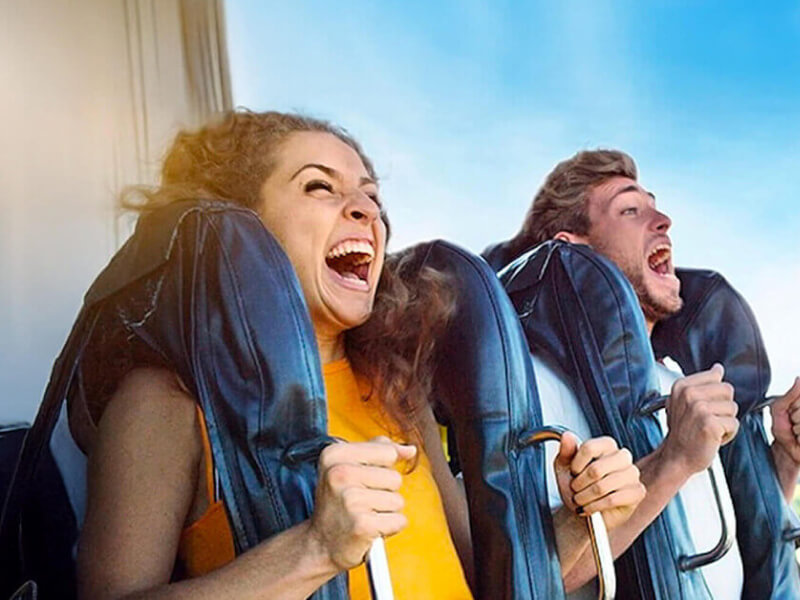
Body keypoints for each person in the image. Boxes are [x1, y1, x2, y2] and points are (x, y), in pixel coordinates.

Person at [76, 113, 644, 600]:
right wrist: (314, 550)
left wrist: (582, 517)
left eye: (371, 197)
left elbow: (484, 578)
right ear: (239, 224)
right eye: (320, 187)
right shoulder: (166, 399)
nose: (365, 211)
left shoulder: (395, 389)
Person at [487, 149, 800, 598]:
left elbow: (725, 534)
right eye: (630, 210)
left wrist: (786, 460)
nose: (663, 221)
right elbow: (534, 576)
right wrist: (673, 459)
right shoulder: (532, 387)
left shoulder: (677, 379)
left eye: (654, 206)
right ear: (574, 247)